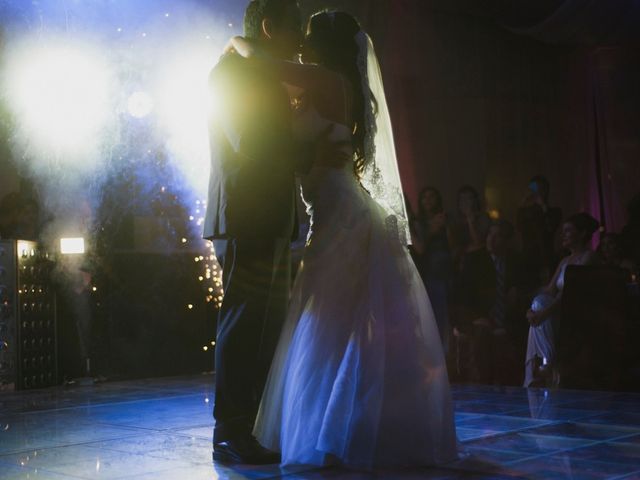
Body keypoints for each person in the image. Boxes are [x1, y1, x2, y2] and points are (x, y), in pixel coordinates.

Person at [230, 10, 457, 468]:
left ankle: (338, 435)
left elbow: (257, 55)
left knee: (335, 322)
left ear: (324, 45)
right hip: (330, 213)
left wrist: (234, 43)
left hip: (342, 217)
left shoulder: (323, 79)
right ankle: (340, 429)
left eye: (308, 36)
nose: (301, 43)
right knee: (334, 321)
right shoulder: (328, 83)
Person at [203, 0, 342, 465]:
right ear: (269, 26)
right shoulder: (234, 74)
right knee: (245, 321)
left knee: (263, 322)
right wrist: (308, 148)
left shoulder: (256, 71)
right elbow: (252, 141)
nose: (301, 39)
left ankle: (253, 425)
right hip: (246, 212)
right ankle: (231, 431)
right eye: (294, 28)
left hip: (266, 214)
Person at [523, 212, 599, 388]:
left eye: (568, 231)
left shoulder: (588, 257)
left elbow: (572, 292)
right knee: (539, 301)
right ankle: (547, 365)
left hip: (574, 310)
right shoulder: (565, 260)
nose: (563, 235)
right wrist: (531, 309)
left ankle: (544, 365)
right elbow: (549, 290)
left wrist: (543, 313)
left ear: (581, 233)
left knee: (541, 307)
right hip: (555, 311)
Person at [412, 187, 453, 352]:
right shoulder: (418, 223)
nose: (428, 201)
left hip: (447, 269)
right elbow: (420, 248)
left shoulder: (445, 219)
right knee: (432, 313)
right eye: (425, 197)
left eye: (432, 197)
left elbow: (453, 244)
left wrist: (445, 226)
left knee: (447, 312)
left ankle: (447, 352)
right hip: (429, 271)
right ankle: (435, 352)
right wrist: (432, 229)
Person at [517, 175, 563, 285]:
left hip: (546, 256)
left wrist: (543, 206)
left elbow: (551, 228)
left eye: (539, 189)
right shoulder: (525, 212)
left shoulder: (555, 211)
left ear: (546, 190)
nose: (536, 192)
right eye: (533, 189)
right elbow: (519, 227)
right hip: (528, 257)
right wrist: (523, 205)